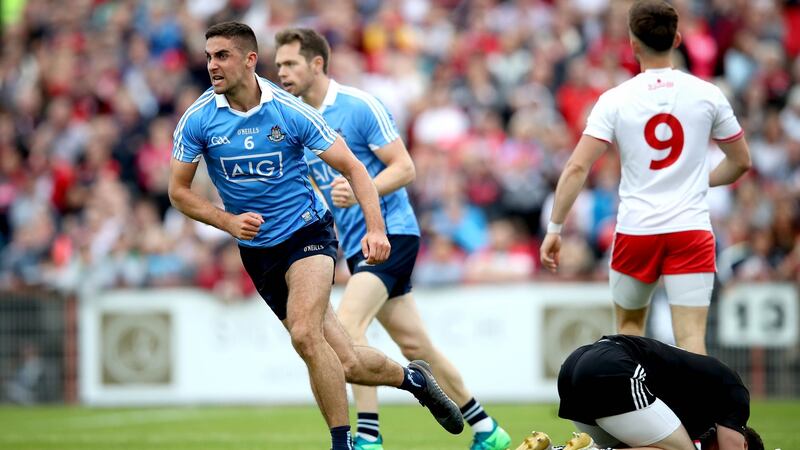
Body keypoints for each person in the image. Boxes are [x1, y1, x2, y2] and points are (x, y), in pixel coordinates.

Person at [168, 22, 462, 450]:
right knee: (346, 360)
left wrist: (376, 229)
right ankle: (414, 380)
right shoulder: (197, 119)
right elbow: (177, 192)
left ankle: (342, 443)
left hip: (307, 232)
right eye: (209, 56)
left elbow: (354, 168)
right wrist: (226, 221)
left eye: (222, 56)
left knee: (306, 334)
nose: (212, 65)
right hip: (257, 250)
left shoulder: (290, 111)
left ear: (250, 60)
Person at [274, 28, 510, 450]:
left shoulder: (358, 106)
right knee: (417, 344)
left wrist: (361, 190)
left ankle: (368, 436)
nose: (282, 72)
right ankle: (488, 430)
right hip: (355, 245)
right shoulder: (295, 120)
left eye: (290, 63)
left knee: (346, 330)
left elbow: (405, 167)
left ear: (317, 63)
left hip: (392, 232)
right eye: (278, 65)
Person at [540, 0, 752, 355]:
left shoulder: (615, 99)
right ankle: (694, 396)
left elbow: (577, 167)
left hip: (637, 231)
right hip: (690, 230)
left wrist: (555, 229)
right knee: (691, 340)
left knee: (629, 335)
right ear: (678, 39)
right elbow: (741, 162)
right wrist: (696, 181)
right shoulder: (708, 94)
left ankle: (638, 394)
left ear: (633, 44)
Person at [515, 335, 763, 450]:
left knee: (619, 447)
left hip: (574, 367)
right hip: (611, 367)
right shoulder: (735, 394)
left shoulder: (701, 413)